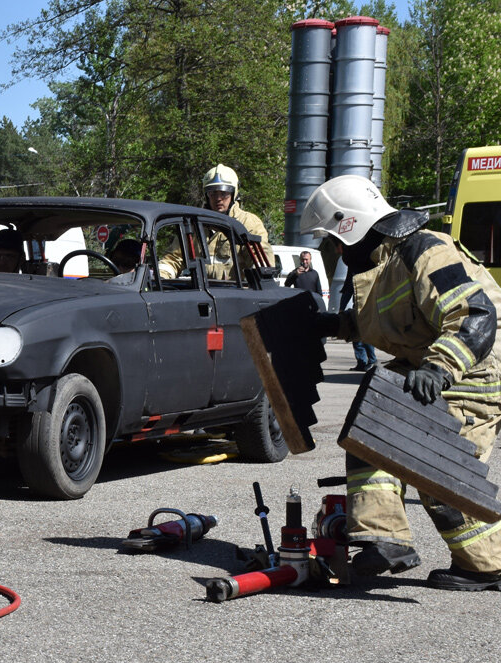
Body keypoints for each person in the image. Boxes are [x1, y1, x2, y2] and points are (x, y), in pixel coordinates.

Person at [303, 173, 501, 590]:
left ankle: (487, 566)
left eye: (335, 240)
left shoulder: (425, 251)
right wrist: (335, 324)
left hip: (474, 370)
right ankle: (385, 539)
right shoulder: (382, 264)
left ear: (350, 225)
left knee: (434, 466)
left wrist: (439, 368)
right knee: (368, 429)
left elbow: (475, 315)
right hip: (428, 364)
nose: (335, 250)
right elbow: (390, 321)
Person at [158, 164, 275, 280]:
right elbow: (174, 258)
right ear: (206, 195)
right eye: (213, 193)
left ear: (233, 194)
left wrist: (259, 279)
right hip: (202, 294)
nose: (218, 198)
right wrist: (161, 276)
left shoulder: (248, 223)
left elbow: (260, 257)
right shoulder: (193, 225)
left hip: (236, 294)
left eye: (223, 193)